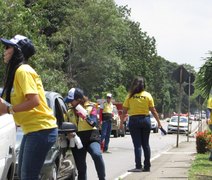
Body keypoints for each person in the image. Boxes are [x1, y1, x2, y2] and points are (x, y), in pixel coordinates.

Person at [0, 35, 58, 179]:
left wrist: (8, 109)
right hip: (33, 130)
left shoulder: (23, 70)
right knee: (22, 175)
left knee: (28, 176)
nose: (5, 50)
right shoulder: (17, 72)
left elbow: (34, 101)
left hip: (41, 130)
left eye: (8, 47)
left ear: (17, 51)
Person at [120, 76, 162, 172]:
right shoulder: (147, 95)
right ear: (144, 85)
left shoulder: (130, 96)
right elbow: (154, 110)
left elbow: (124, 111)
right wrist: (159, 122)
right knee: (145, 144)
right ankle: (147, 167)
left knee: (137, 145)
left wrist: (121, 124)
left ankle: (138, 166)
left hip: (134, 121)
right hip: (145, 120)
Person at [64, 88, 106, 180]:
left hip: (91, 136)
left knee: (97, 155)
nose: (70, 103)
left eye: (72, 101)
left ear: (79, 99)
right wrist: (68, 133)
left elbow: (94, 123)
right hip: (77, 139)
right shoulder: (69, 111)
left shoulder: (91, 108)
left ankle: (102, 177)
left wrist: (85, 116)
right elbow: (64, 125)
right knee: (81, 168)